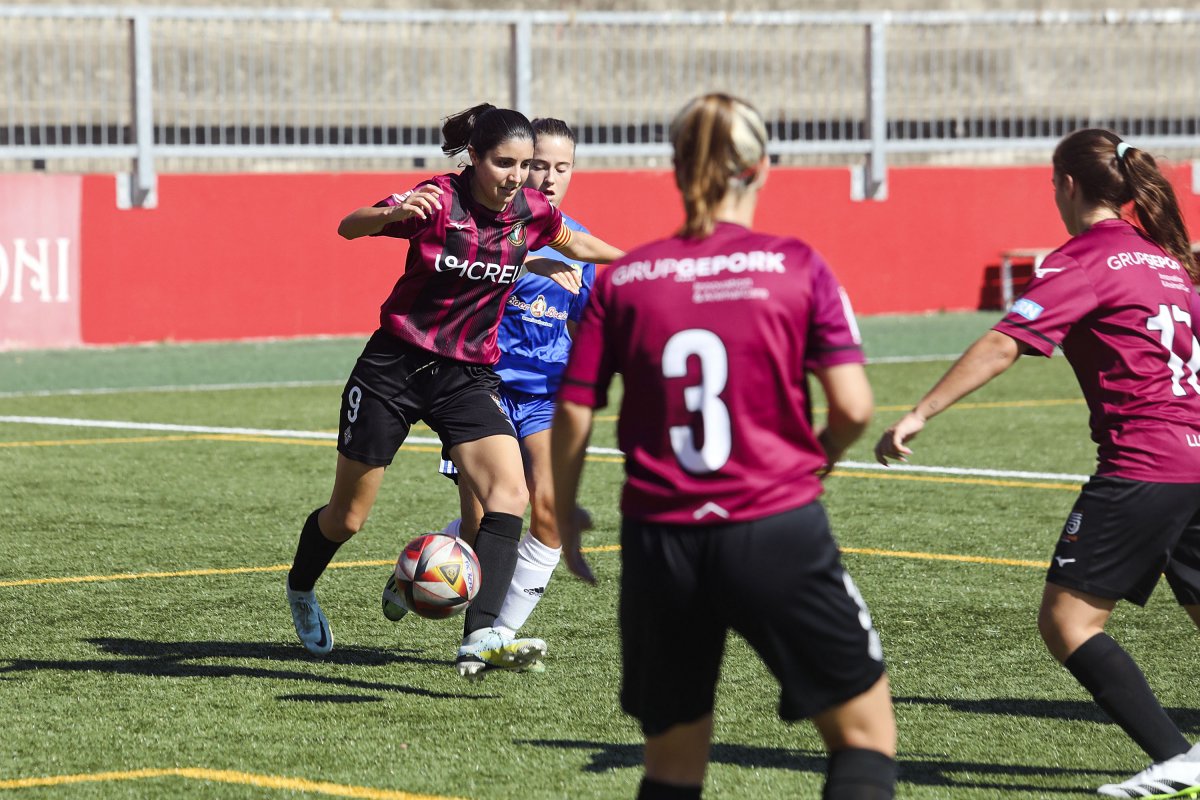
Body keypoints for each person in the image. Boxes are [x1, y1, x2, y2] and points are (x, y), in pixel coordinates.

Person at [552, 93, 897, 800]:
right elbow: (856, 407)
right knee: (864, 741)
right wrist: (821, 454)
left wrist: (562, 510)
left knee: (672, 770)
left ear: (676, 170)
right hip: (774, 527)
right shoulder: (796, 265)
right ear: (762, 167)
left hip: (660, 543)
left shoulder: (623, 281)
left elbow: (576, 408)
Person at [874, 129, 1200, 797]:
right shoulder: (1168, 261)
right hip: (1196, 458)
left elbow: (1004, 344)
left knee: (1068, 622)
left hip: (1146, 462)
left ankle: (1178, 760)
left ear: (1068, 185)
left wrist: (919, 413)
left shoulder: (1081, 260)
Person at [284, 103, 623, 680]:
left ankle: (481, 637)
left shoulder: (531, 211)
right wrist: (386, 212)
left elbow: (578, 248)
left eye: (525, 165)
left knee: (510, 494)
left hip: (465, 375)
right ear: (474, 158)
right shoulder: (438, 200)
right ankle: (301, 586)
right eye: (504, 163)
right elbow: (349, 226)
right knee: (347, 518)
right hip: (395, 368)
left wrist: (656, 265)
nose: (517, 177)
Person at [382, 118, 595, 659]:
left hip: (545, 397)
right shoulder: (491, 234)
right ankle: (424, 566)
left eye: (561, 168)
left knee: (549, 510)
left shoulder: (578, 247)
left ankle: (492, 636)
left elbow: (590, 329)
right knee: (484, 522)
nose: (547, 178)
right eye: (538, 165)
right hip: (481, 385)